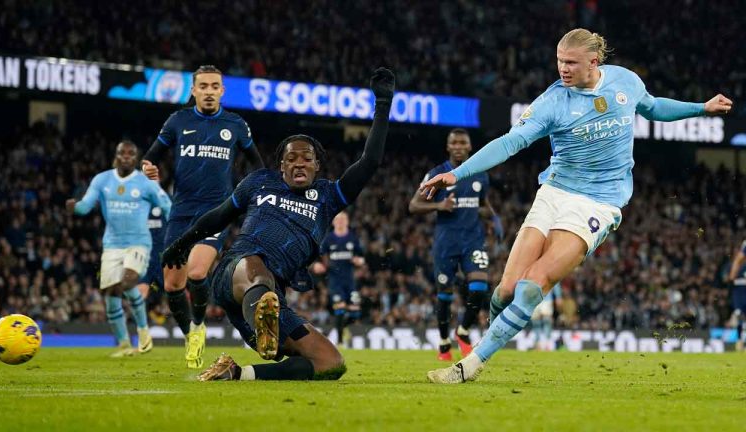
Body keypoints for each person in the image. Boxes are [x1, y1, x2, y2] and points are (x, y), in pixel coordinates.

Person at [422, 28, 732, 383]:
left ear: (593, 63)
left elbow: (653, 106)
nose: (563, 69)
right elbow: (511, 143)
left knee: (532, 285)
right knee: (505, 291)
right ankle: (493, 334)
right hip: (553, 192)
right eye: (559, 61)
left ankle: (468, 366)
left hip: (599, 203)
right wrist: (458, 173)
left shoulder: (625, 82)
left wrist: (701, 108)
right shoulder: (552, 102)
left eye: (570, 62)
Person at [162, 67, 394, 381]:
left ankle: (238, 371)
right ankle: (264, 311)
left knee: (330, 363)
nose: (299, 162)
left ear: (317, 164)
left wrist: (383, 105)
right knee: (257, 266)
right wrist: (181, 242)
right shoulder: (259, 182)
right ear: (281, 165)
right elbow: (218, 216)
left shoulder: (328, 196)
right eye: (291, 158)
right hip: (236, 272)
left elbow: (370, 161)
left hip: (272, 297)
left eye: (307, 157)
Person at [141, 65, 265, 368]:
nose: (209, 91)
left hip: (215, 213)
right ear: (193, 91)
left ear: (222, 91)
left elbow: (258, 166)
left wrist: (253, 194)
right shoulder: (178, 121)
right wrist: (148, 168)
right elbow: (150, 157)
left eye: (214, 86)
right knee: (172, 285)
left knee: (197, 273)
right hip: (181, 212)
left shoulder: (235, 125)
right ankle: (191, 332)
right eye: (203, 86)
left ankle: (198, 322)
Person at [66, 140, 172, 357]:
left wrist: (178, 234)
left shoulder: (146, 183)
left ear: (136, 158)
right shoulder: (102, 180)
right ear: (116, 156)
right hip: (112, 245)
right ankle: (124, 344)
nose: (126, 156)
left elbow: (168, 206)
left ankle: (143, 332)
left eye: (130, 153)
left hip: (139, 243)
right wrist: (75, 207)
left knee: (127, 280)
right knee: (111, 295)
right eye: (122, 153)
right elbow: (86, 206)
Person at [408, 129, 502, 360]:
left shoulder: (480, 173)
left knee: (480, 286)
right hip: (446, 242)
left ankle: (463, 331)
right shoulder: (437, 173)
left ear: (470, 147)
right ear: (448, 147)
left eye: (463, 143)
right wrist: (439, 207)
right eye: (454, 143)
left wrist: (494, 218)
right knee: (445, 294)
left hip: (473, 240)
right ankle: (443, 342)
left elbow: (482, 203)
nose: (459, 146)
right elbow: (413, 206)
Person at [312, 211, 365, 348]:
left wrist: (359, 261)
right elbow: (318, 256)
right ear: (334, 222)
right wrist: (318, 264)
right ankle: (340, 341)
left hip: (350, 281)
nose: (341, 222)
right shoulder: (329, 239)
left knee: (355, 313)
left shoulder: (353, 238)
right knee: (340, 309)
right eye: (338, 219)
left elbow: (361, 256)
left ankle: (343, 327)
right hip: (335, 281)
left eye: (343, 219)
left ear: (347, 222)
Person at [726, 240, 746, 351]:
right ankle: (739, 341)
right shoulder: (732, 265)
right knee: (739, 315)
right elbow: (729, 280)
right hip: (738, 293)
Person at [530, 282, 561, 351]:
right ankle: (538, 344)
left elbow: (555, 280)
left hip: (546, 299)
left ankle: (547, 343)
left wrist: (558, 296)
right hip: (534, 299)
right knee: (536, 322)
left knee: (547, 320)